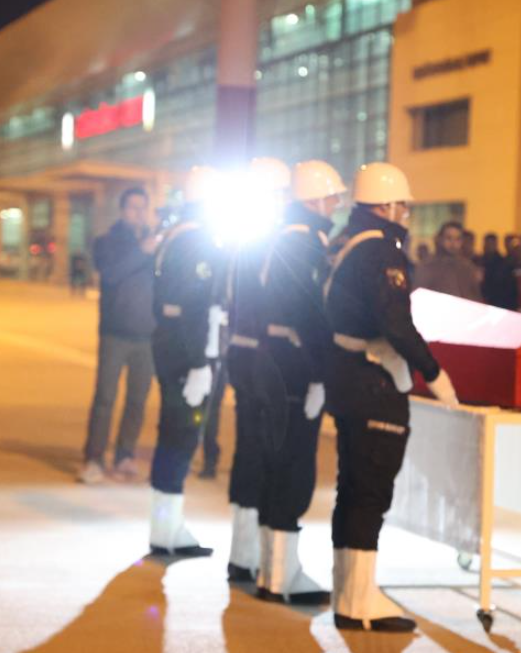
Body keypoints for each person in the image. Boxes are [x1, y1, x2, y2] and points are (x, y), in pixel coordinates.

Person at [324, 162, 458, 632]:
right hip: (374, 380)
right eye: (403, 206)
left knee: (352, 488)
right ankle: (360, 600)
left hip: (349, 377)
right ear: (387, 206)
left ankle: (348, 590)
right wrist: (434, 372)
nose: (407, 214)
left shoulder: (348, 243)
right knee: (370, 491)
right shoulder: (381, 251)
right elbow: (396, 322)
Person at [252, 160, 343, 605]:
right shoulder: (304, 243)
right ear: (316, 200)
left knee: (276, 461)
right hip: (295, 363)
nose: (337, 205)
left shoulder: (285, 237)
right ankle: (282, 575)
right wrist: (319, 373)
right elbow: (309, 314)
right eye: (332, 197)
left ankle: (273, 571)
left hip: (275, 359)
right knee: (294, 463)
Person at [147, 166, 227, 556]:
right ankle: (166, 531)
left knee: (173, 434)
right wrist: (198, 362)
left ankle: (166, 526)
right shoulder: (196, 240)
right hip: (186, 351)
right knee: (180, 438)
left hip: (170, 345)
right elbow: (194, 306)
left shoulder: (176, 235)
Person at [223, 157, 291, 582]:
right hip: (266, 359)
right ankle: (261, 556)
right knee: (268, 454)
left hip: (243, 355)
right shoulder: (276, 241)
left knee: (248, 451)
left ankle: (243, 554)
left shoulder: (243, 239)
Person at [78, 187, 158, 484]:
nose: (139, 213)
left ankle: (125, 454)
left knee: (137, 399)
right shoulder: (107, 241)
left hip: (148, 335)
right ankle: (94, 458)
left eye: (143, 207)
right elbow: (111, 274)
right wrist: (142, 252)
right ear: (123, 210)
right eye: (133, 207)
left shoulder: (155, 242)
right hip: (115, 333)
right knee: (105, 398)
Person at [414, 221, 483, 301]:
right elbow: (418, 295)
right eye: (448, 238)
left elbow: (475, 296)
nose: (453, 243)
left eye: (457, 239)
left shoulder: (467, 267)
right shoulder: (428, 266)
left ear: (461, 241)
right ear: (440, 239)